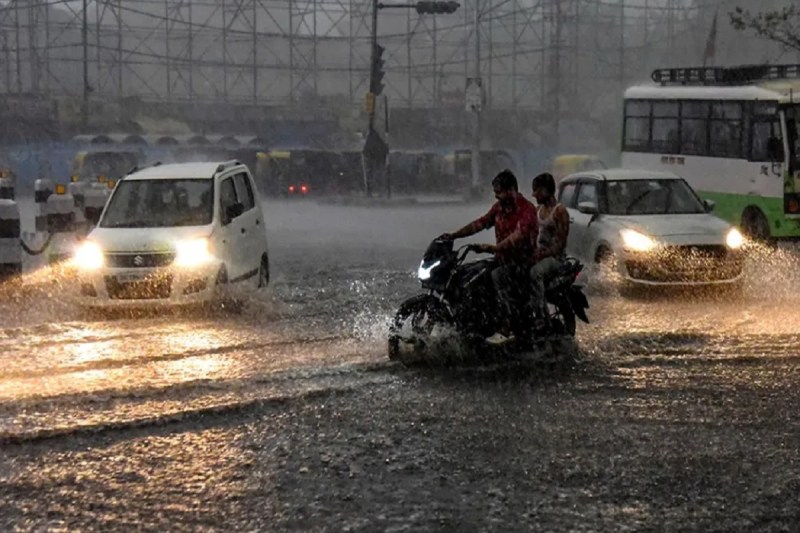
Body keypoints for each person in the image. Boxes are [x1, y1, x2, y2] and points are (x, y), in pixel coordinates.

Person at [438, 169, 538, 344]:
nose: (497, 197)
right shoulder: (499, 208)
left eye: (499, 192)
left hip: (522, 262)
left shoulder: (526, 209)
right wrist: (454, 235)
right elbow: (480, 223)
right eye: (495, 193)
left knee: (497, 276)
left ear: (512, 190)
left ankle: (508, 326)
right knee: (469, 274)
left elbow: (518, 235)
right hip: (501, 259)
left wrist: (493, 248)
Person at [529, 172, 570, 329]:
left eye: (537, 191)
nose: (534, 194)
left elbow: (560, 245)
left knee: (535, 273)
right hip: (540, 254)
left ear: (546, 191)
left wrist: (542, 254)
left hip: (556, 259)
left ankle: (538, 316)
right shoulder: (538, 209)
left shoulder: (560, 211)